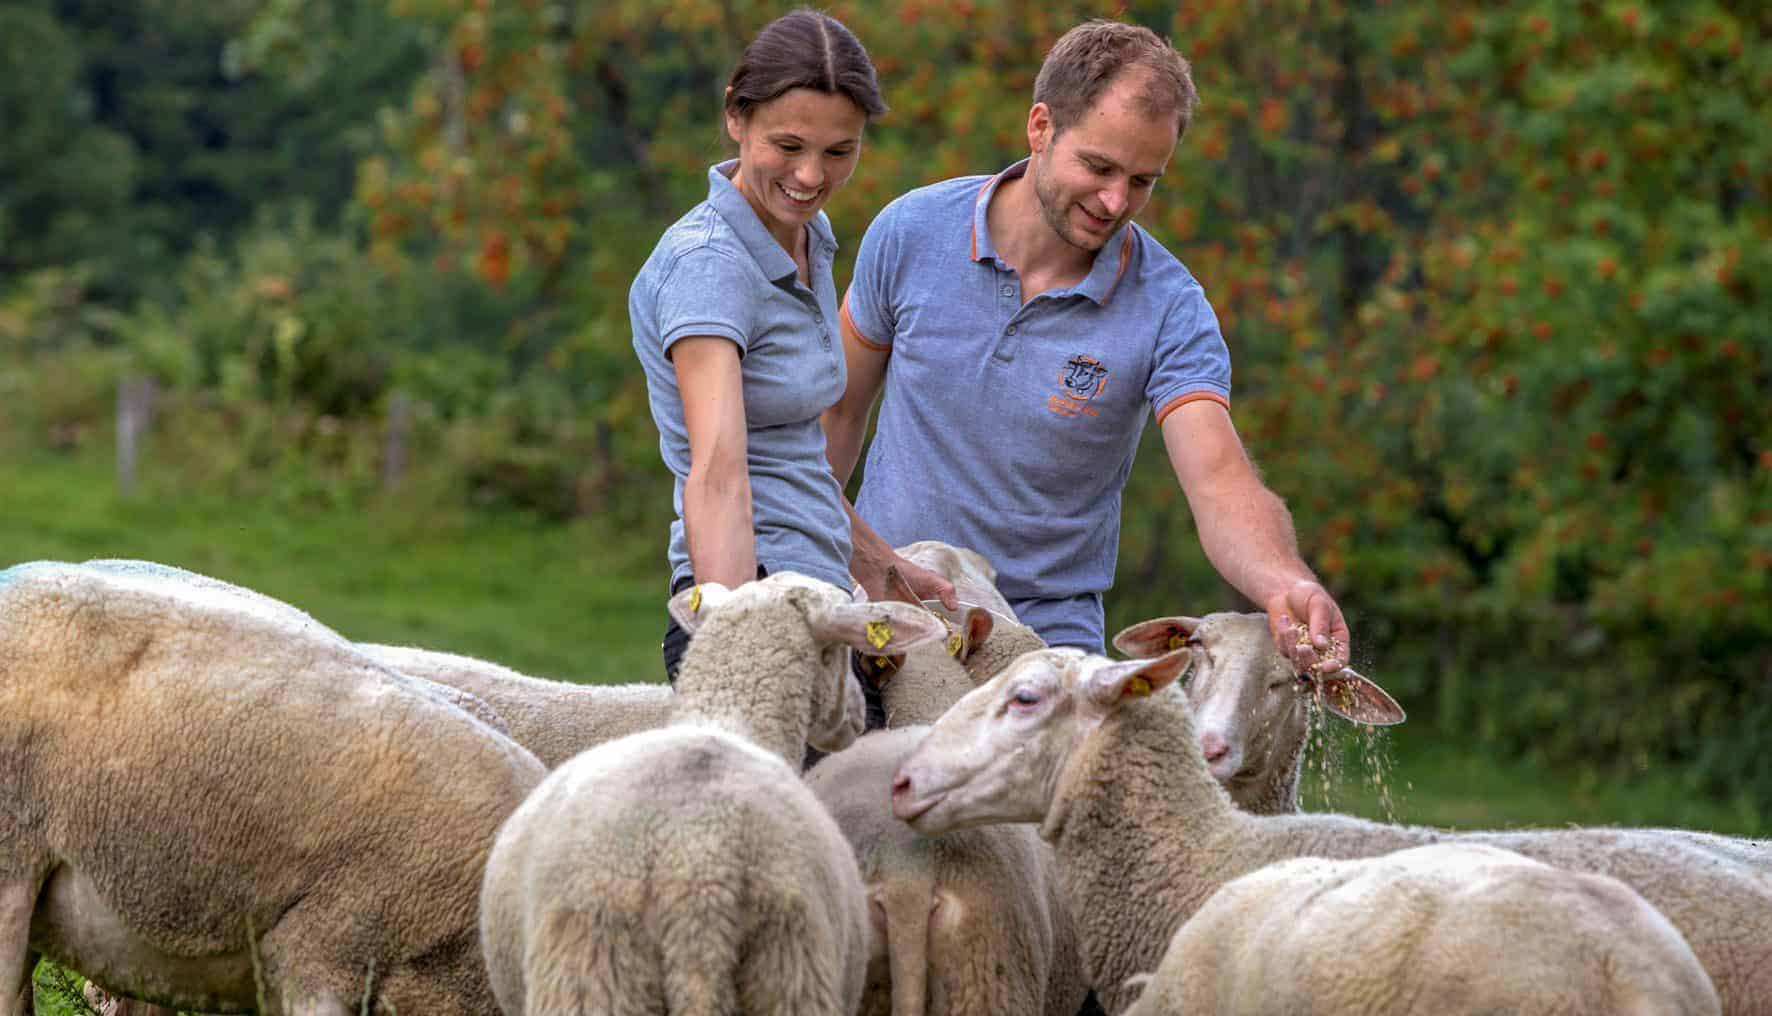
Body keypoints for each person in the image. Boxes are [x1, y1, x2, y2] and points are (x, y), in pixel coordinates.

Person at [824, 19, 1350, 675]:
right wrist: (827, 560)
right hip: (890, 616)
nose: (1115, 201)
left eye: (1142, 181)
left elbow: (1220, 481)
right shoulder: (911, 231)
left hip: (1043, 662)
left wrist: (1282, 580)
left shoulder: (1171, 308)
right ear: (1041, 127)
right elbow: (835, 416)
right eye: (1099, 167)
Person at [631, 9, 887, 682]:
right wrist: (741, 659)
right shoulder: (710, 263)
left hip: (818, 595)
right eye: (788, 145)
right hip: (758, 604)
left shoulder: (807, 236)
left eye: (839, 152)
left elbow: (793, 459)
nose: (810, 176)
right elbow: (717, 473)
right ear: (735, 118)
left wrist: (884, 567)